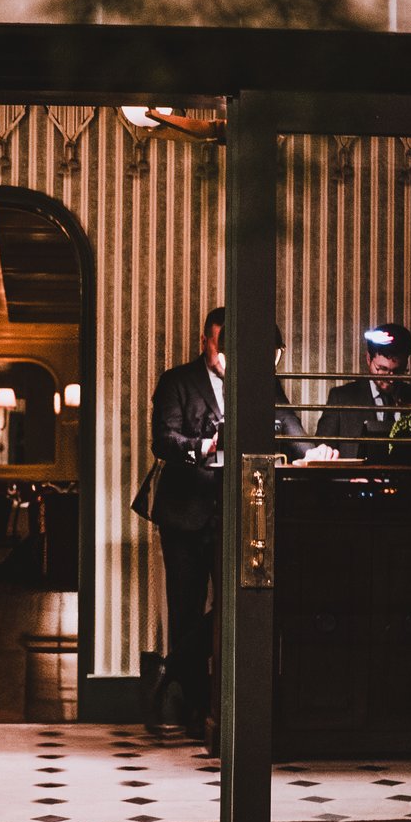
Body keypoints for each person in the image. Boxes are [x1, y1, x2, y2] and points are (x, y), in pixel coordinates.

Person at [144, 307, 229, 730]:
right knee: (186, 609)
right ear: (204, 341)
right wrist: (205, 446)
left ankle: (169, 672)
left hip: (235, 513)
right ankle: (196, 708)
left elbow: (287, 425)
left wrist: (314, 452)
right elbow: (163, 439)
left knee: (234, 605)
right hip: (185, 513)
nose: (223, 354)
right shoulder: (177, 380)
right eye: (218, 343)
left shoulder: (256, 378)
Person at [314, 322, 411, 459]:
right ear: (368, 359)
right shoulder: (341, 398)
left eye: (398, 371)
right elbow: (322, 454)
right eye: (382, 369)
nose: (391, 379)